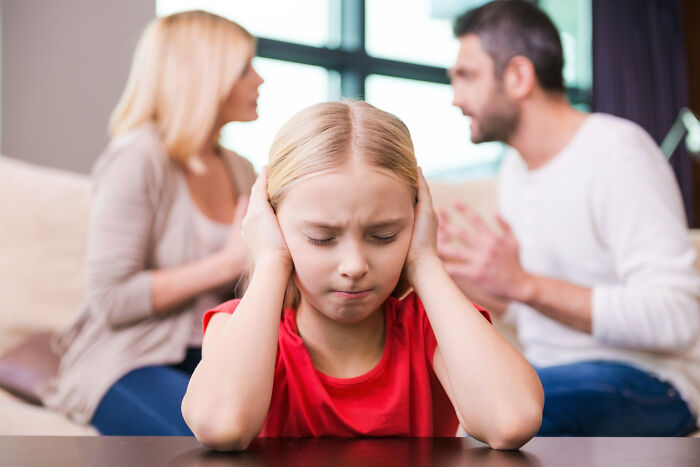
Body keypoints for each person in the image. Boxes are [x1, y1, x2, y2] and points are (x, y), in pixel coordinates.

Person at [181, 100, 544, 451]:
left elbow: (512, 420)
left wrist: (425, 261)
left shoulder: (432, 327)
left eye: (384, 236)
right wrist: (272, 259)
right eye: (322, 238)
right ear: (272, 225)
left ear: (417, 222)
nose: (354, 266)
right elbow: (221, 425)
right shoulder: (236, 327)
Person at [440, 0, 700, 436]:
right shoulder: (515, 170)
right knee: (443, 401)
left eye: (466, 76)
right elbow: (537, 313)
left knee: (495, 414)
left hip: (650, 380)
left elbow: (677, 316)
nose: (455, 98)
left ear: (519, 76)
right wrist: (480, 284)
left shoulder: (619, 153)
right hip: (551, 372)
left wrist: (523, 283)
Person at [39, 10, 264, 435]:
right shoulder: (137, 159)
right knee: (205, 440)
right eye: (243, 68)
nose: (260, 79)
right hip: (130, 359)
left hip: (216, 353)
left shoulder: (242, 169)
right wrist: (226, 264)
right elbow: (112, 297)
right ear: (203, 77)